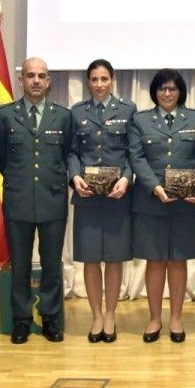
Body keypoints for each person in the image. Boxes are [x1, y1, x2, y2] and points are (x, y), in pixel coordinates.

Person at [0, 57, 73, 344]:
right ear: (21, 80)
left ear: (49, 81)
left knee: (52, 264)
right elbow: (0, 158)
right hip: (18, 200)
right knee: (21, 265)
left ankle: (51, 318)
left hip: (52, 200)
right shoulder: (4, 116)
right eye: (30, 75)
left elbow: (67, 156)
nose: (36, 81)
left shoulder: (63, 116)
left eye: (41, 76)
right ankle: (22, 320)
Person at [128, 69, 195, 343]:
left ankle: (175, 318)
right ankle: (153, 319)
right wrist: (155, 187)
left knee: (178, 260)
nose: (167, 93)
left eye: (172, 88)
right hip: (151, 201)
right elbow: (136, 157)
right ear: (155, 92)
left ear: (180, 91)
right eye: (162, 88)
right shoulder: (140, 120)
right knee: (155, 259)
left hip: (186, 203)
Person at [68, 59, 136, 343]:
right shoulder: (77, 112)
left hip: (118, 196)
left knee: (115, 258)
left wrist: (127, 178)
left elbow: (134, 152)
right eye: (94, 79)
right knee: (91, 259)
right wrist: (74, 177)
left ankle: (110, 314)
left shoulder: (128, 110)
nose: (99, 84)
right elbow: (72, 152)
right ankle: (96, 315)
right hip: (87, 197)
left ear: (112, 80)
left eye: (104, 79)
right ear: (88, 82)